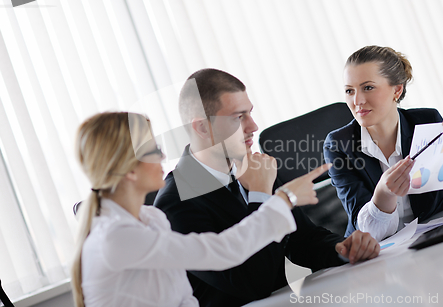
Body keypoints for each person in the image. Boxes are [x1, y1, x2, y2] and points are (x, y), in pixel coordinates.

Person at [154, 69, 380, 307]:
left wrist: (341, 248)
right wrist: (260, 196)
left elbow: (302, 239)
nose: (253, 126)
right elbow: (252, 283)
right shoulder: (174, 204)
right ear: (201, 128)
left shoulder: (252, 168)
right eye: (238, 117)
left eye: (249, 113)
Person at [71, 112, 338, 307]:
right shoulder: (116, 237)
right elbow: (222, 251)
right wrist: (281, 198)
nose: (163, 157)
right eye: (153, 149)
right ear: (129, 169)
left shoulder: (151, 219)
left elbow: (183, 298)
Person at [324, 45, 443, 241]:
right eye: (349, 91)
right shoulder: (339, 145)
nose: (357, 101)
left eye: (368, 87)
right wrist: (383, 195)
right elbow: (368, 233)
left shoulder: (427, 121)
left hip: (437, 238)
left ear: (397, 90)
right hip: (378, 256)